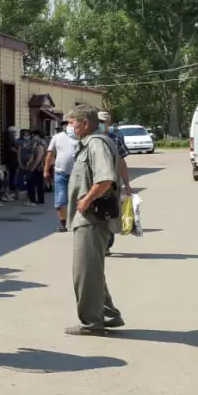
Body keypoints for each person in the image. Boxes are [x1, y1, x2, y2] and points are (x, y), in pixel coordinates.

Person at [64, 104, 124, 336]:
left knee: (85, 272)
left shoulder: (96, 144)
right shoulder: (91, 143)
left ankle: (92, 323)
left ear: (85, 123)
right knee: (92, 269)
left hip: (92, 217)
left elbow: (105, 179)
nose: (69, 127)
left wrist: (86, 200)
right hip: (90, 216)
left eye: (72, 123)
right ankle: (108, 315)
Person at [98, 111, 132, 255]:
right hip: (93, 183)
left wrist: (127, 185)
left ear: (109, 124)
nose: (101, 124)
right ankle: (97, 242)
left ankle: (106, 243)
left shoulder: (115, 138)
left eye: (103, 122)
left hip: (111, 183)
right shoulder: (90, 138)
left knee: (110, 213)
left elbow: (122, 163)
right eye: (99, 121)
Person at [44, 123, 78, 232]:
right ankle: (63, 224)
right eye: (65, 124)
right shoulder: (57, 137)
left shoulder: (81, 136)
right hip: (60, 173)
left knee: (77, 198)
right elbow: (50, 154)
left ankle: (76, 222)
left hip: (77, 174)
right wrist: (46, 170)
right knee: (60, 200)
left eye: (70, 123)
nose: (68, 126)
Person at [23, 131, 47, 206]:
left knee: (32, 183)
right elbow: (33, 156)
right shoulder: (36, 145)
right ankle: (38, 200)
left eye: (34, 136)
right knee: (37, 183)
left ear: (38, 136)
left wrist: (32, 168)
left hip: (38, 167)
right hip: (36, 166)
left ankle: (34, 200)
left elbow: (38, 159)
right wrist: (29, 162)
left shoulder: (40, 146)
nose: (32, 137)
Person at [2, 126, 20, 202]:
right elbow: (12, 149)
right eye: (14, 132)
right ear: (10, 133)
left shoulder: (13, 140)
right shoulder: (9, 140)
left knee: (14, 174)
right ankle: (11, 189)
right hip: (11, 160)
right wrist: (20, 151)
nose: (15, 134)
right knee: (12, 175)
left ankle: (12, 189)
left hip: (14, 160)